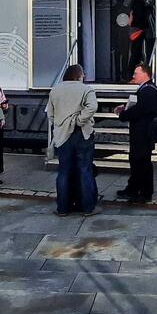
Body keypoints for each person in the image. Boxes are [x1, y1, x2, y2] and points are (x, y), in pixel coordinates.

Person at [47, 64, 100, 215]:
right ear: (79, 75)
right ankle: (87, 208)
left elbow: (50, 114)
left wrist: (61, 123)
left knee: (63, 171)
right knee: (85, 170)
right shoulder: (86, 89)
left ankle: (62, 208)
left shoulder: (55, 90)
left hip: (62, 135)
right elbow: (92, 107)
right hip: (81, 133)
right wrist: (79, 120)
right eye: (83, 75)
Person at [115, 62, 157, 203]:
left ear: (145, 74)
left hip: (143, 132)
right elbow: (137, 106)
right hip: (140, 131)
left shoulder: (148, 90)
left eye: (136, 73)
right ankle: (133, 188)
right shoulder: (145, 89)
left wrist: (124, 114)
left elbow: (140, 110)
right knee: (136, 161)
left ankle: (144, 193)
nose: (134, 76)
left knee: (142, 162)